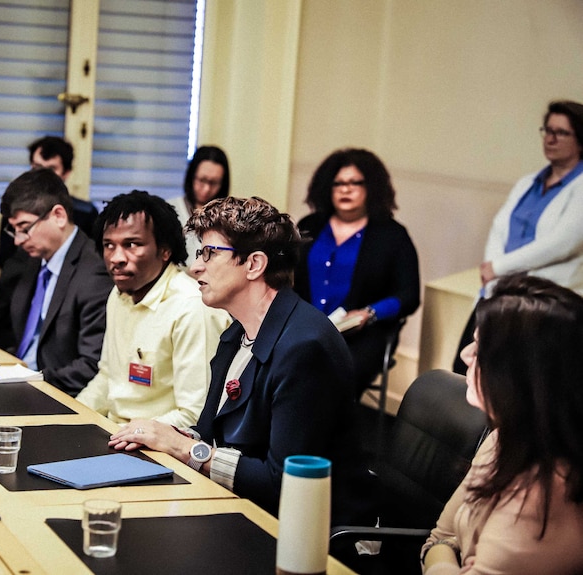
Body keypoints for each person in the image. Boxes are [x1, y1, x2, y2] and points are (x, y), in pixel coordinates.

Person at [109, 196, 373, 524]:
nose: (195, 267)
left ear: (254, 265)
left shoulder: (305, 347)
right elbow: (209, 434)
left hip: (306, 533)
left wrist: (181, 447)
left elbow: (284, 483)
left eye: (209, 253)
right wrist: (158, 432)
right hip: (240, 506)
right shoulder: (237, 332)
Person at [422, 274, 583, 574]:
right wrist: (442, 552)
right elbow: (440, 537)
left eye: (480, 348)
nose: (465, 355)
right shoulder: (505, 438)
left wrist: (441, 555)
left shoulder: (541, 496)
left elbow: (439, 547)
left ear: (521, 375)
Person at [75, 191, 230, 428]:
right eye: (109, 245)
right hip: (118, 433)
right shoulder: (118, 296)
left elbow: (194, 414)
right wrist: (72, 417)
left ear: (165, 250)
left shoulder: (192, 307)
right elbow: (107, 379)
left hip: (162, 446)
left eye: (131, 244)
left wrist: (125, 434)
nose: (116, 258)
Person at [453, 100, 583, 373]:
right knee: (464, 368)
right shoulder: (528, 182)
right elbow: (499, 227)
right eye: (547, 130)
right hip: (499, 292)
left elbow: (563, 244)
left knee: (513, 381)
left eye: (560, 132)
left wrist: (499, 267)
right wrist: (492, 274)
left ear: (580, 139)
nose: (550, 138)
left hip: (544, 302)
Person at [295, 148, 420, 397]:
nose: (345, 189)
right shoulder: (309, 226)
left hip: (360, 334)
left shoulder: (392, 235)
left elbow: (409, 295)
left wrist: (369, 313)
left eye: (354, 183)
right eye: (338, 183)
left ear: (371, 187)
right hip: (305, 326)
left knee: (331, 377)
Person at [0, 169, 112, 396]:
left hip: (55, 391)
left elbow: (92, 365)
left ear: (59, 216)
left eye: (25, 228)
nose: (18, 240)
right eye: (13, 230)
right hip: (16, 378)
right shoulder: (31, 259)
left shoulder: (94, 272)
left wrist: (30, 380)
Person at [0, 135, 99, 267]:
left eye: (51, 169)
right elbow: (4, 260)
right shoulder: (15, 209)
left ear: (66, 172)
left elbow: (93, 260)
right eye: (37, 167)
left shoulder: (86, 213)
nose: (42, 175)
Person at [168, 145, 231, 258]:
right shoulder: (170, 210)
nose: (206, 188)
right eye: (202, 180)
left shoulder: (229, 217)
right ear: (192, 176)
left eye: (214, 183)